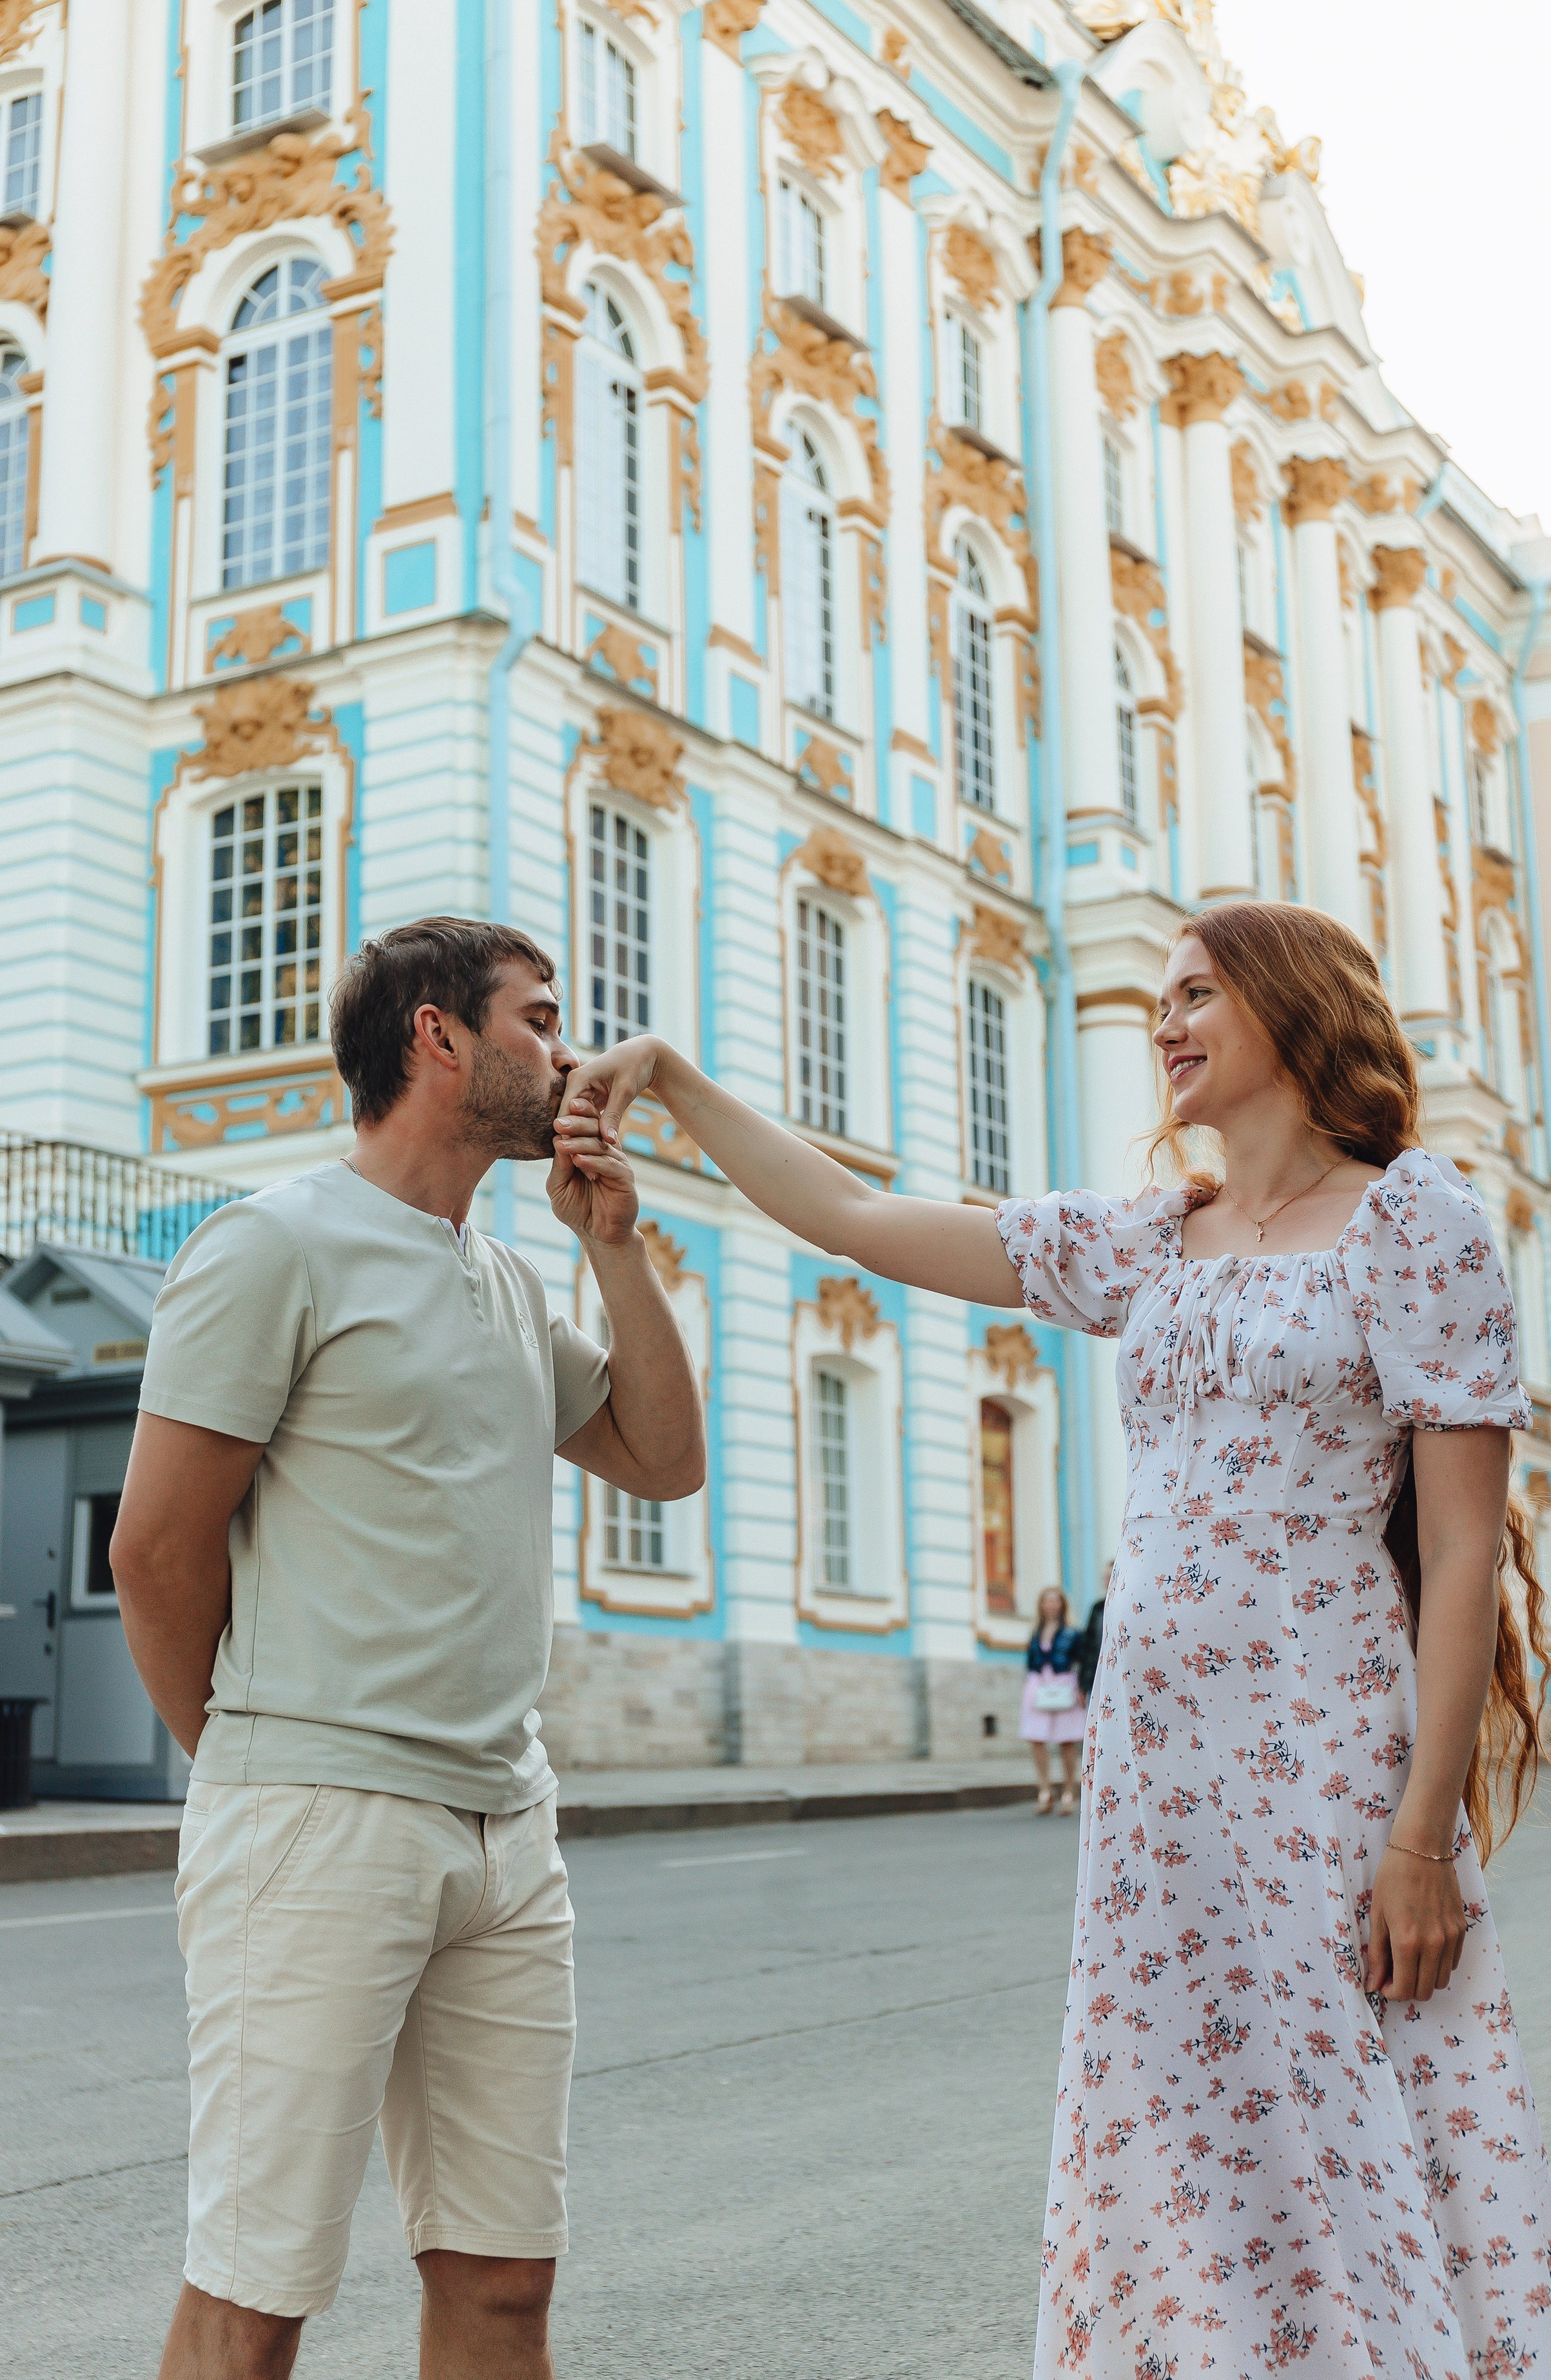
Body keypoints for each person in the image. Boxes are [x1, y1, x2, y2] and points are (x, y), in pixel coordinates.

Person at [554, 898, 1551, 2378]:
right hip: (1154, 1786)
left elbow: (1465, 1544)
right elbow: (854, 1220)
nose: (1162, 1021)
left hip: (1332, 1767)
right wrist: (680, 1085)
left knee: (1355, 2109)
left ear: (1290, 1007)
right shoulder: (1150, 1238)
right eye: (1156, 995)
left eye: (1196, 992)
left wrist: (1418, 1839)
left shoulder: (1420, 1221)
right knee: (1183, 2131)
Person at [112, 917, 705, 2380]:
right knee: (253, 2300)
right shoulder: (277, 1242)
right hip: (317, 1819)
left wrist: (610, 1251)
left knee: (505, 2286)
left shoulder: (504, 1277)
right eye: (537, 1020)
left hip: (508, 1833)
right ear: (437, 1037)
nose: (563, 1054)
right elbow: (156, 1551)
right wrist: (258, 1757)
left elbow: (660, 1456)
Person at [1020, 1584, 1086, 1815]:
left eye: (1055, 1600)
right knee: (1036, 1737)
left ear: (1062, 1604)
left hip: (1064, 1684)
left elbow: (1081, 1659)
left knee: (1066, 1741)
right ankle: (1045, 1790)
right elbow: (1030, 1661)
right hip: (1038, 1684)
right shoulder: (1036, 1632)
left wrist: (1081, 1688)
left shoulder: (1072, 1633)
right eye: (1047, 1600)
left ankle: (1069, 1791)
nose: (1051, 1605)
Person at [1075, 1560, 1113, 1706]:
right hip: (1099, 1678)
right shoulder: (1098, 1609)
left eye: (1112, 1577)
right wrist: (1083, 1684)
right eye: (1106, 1578)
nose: (1108, 1582)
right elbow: (1089, 1648)